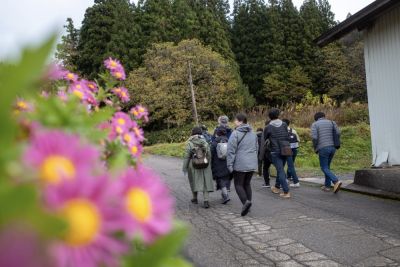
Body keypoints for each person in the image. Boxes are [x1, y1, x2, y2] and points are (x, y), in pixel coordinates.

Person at [227, 113, 258, 216]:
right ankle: (248, 205)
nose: (234, 122)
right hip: (252, 162)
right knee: (247, 184)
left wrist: (229, 165)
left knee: (238, 184)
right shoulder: (253, 133)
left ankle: (246, 203)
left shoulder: (235, 133)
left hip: (240, 163)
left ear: (240, 121)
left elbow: (231, 151)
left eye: (235, 120)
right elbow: (256, 148)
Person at [183, 127, 214, 208]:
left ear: (192, 133)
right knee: (205, 182)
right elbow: (209, 154)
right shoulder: (205, 142)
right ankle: (206, 200)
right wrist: (208, 162)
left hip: (193, 165)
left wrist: (185, 168)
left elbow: (187, 156)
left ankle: (195, 198)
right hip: (204, 164)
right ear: (201, 133)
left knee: (193, 181)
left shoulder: (190, 142)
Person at [311, 112, 343, 193]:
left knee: (324, 167)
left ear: (316, 118)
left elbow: (314, 138)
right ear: (324, 116)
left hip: (323, 148)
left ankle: (335, 181)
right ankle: (327, 186)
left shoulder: (315, 124)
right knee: (327, 167)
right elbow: (338, 133)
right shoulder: (332, 122)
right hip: (333, 148)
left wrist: (315, 147)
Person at [264, 108, 291, 198]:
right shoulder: (284, 124)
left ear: (269, 116)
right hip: (286, 149)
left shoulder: (268, 127)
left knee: (280, 171)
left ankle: (286, 192)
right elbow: (287, 135)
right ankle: (276, 187)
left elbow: (265, 138)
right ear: (278, 115)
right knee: (281, 169)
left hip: (275, 151)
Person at [211, 128, 231, 204]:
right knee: (226, 178)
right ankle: (224, 194)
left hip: (218, 163)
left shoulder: (215, 142)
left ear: (217, 134)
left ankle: (225, 196)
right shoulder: (229, 140)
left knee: (220, 179)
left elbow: (211, 152)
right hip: (227, 162)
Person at [282, 119, 301, 188]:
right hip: (294, 149)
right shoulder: (293, 130)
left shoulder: (281, 130)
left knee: (281, 166)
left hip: (285, 149)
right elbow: (298, 140)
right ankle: (295, 181)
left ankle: (284, 180)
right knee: (291, 165)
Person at [259, 121, 272, 188]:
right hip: (276, 152)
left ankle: (267, 183)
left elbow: (262, 145)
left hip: (267, 152)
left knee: (265, 168)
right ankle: (280, 183)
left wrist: (261, 156)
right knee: (279, 168)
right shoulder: (277, 129)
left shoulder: (265, 131)